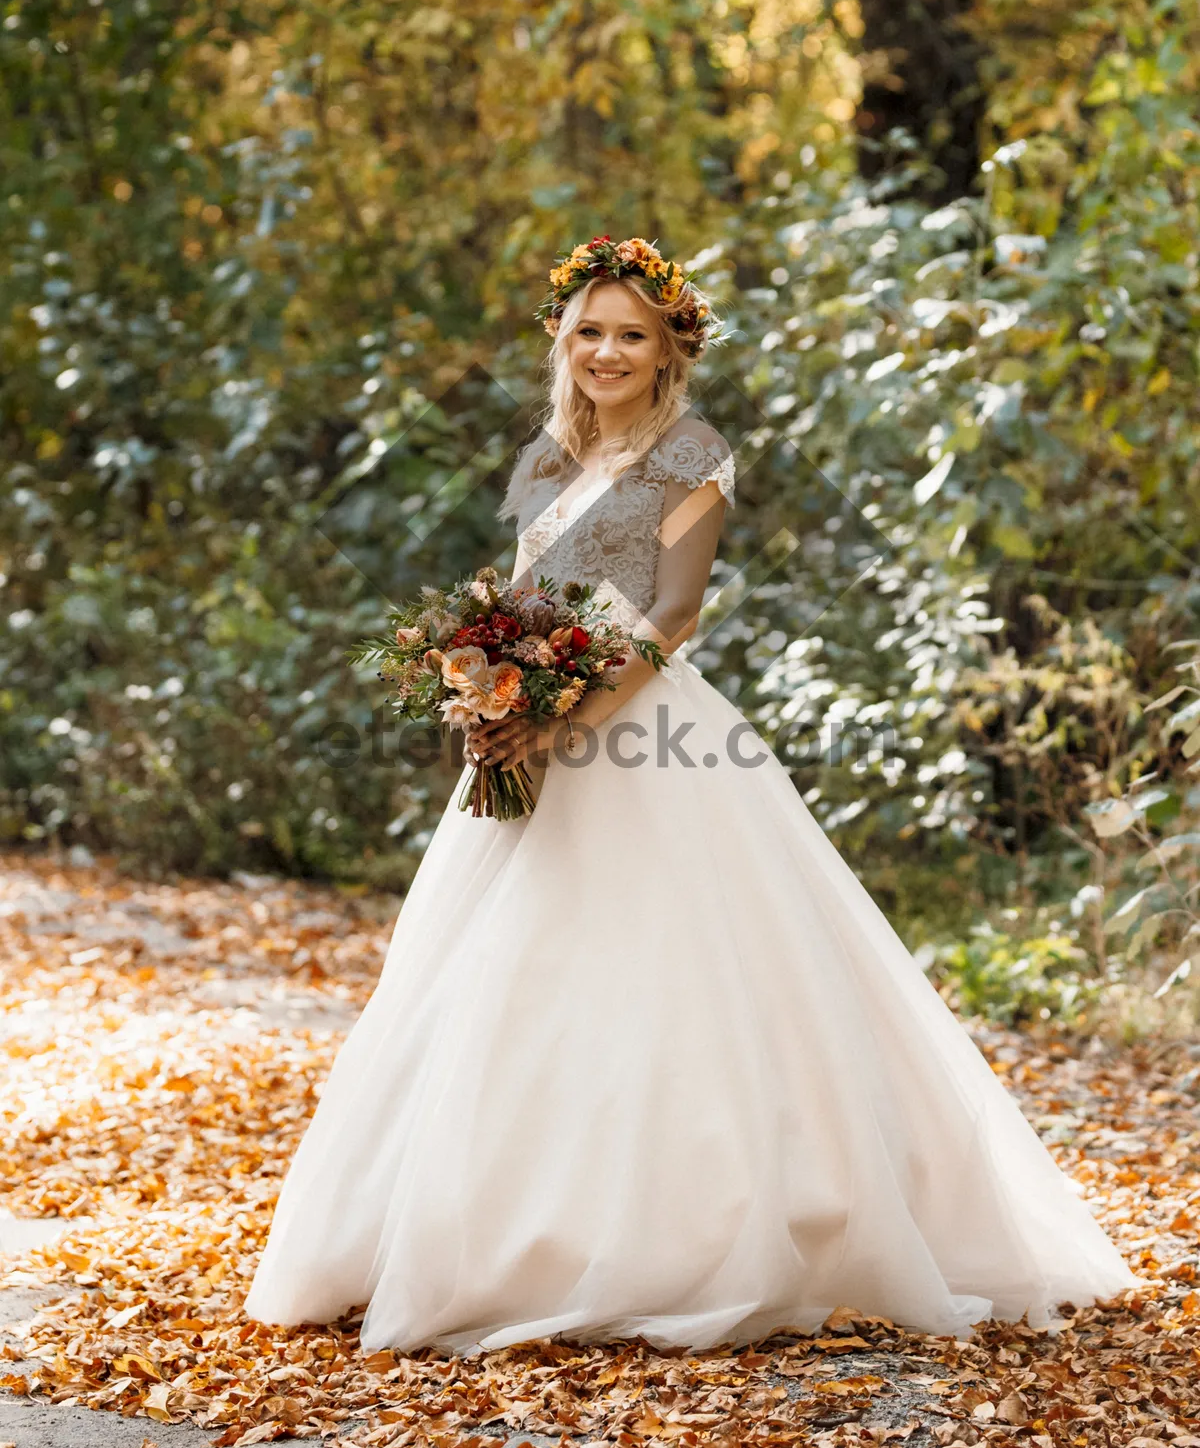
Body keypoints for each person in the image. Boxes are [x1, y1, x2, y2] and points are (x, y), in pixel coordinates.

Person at [244, 234, 1138, 1355]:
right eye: (589, 333)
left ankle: (684, 1231)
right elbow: (518, 603)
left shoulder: (691, 454)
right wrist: (488, 695)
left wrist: (570, 710)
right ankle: (480, 1227)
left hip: (642, 724)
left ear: (668, 348)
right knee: (500, 970)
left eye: (631, 333)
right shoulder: (545, 460)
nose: (607, 351)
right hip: (537, 727)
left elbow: (671, 613)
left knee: (672, 961)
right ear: (561, 345)